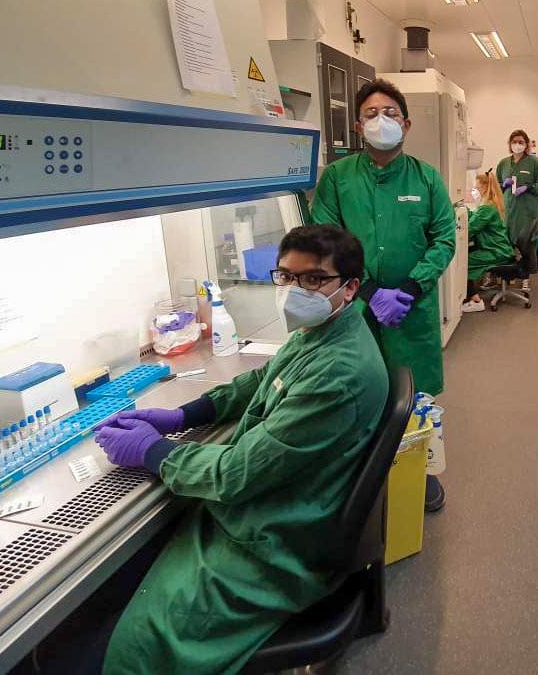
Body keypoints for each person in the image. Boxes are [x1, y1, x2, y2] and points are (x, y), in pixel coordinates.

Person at [90, 225, 389, 673]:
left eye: (312, 279)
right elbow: (263, 382)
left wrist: (152, 452)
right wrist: (184, 416)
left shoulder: (339, 371)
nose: (293, 290)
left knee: (139, 650)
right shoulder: (324, 330)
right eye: (286, 277)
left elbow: (235, 474)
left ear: (349, 287)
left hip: (278, 544)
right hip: (270, 511)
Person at [310, 78, 456, 512]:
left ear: (406, 124)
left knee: (415, 394)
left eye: (390, 113)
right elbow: (326, 238)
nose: (382, 121)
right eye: (371, 114)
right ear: (358, 126)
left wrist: (409, 288)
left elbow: (444, 238)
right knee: (359, 389)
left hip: (412, 310)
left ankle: (419, 469)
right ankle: (364, 475)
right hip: (354, 309)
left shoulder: (426, 179)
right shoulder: (338, 178)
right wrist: (370, 291)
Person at [495, 129, 538, 290]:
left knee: (526, 245)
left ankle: (525, 277)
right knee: (507, 243)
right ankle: (507, 276)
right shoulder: (504, 163)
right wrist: (503, 185)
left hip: (527, 212)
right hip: (508, 211)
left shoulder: (534, 163)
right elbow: (496, 187)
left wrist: (528, 187)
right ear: (510, 144)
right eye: (514, 142)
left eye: (521, 142)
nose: (517, 145)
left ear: (526, 145)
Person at [463, 170, 515, 313]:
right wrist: (464, 210)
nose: (474, 191)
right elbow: (476, 216)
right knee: (466, 257)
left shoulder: (486, 208)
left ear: (485, 188)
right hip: (499, 248)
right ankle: (471, 296)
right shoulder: (491, 204)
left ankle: (475, 301)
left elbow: (471, 228)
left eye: (476, 188)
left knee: (462, 264)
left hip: (496, 251)